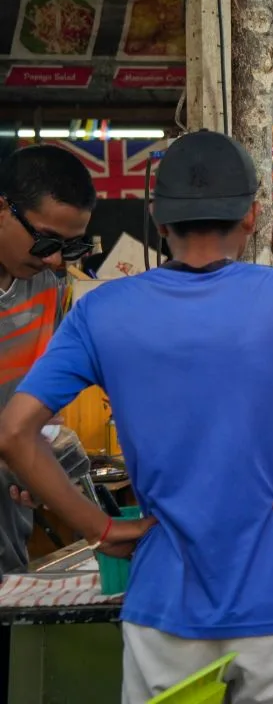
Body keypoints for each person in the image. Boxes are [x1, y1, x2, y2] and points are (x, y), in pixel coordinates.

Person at [0, 131, 273, 703]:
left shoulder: (102, 310)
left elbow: (15, 432)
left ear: (157, 220)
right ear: (251, 216)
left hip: (164, 604)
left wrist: (103, 528)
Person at [0, 145, 96, 701]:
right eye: (46, 241)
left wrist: (38, 456)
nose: (58, 259)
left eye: (72, 246)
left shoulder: (49, 285)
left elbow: (38, 399)